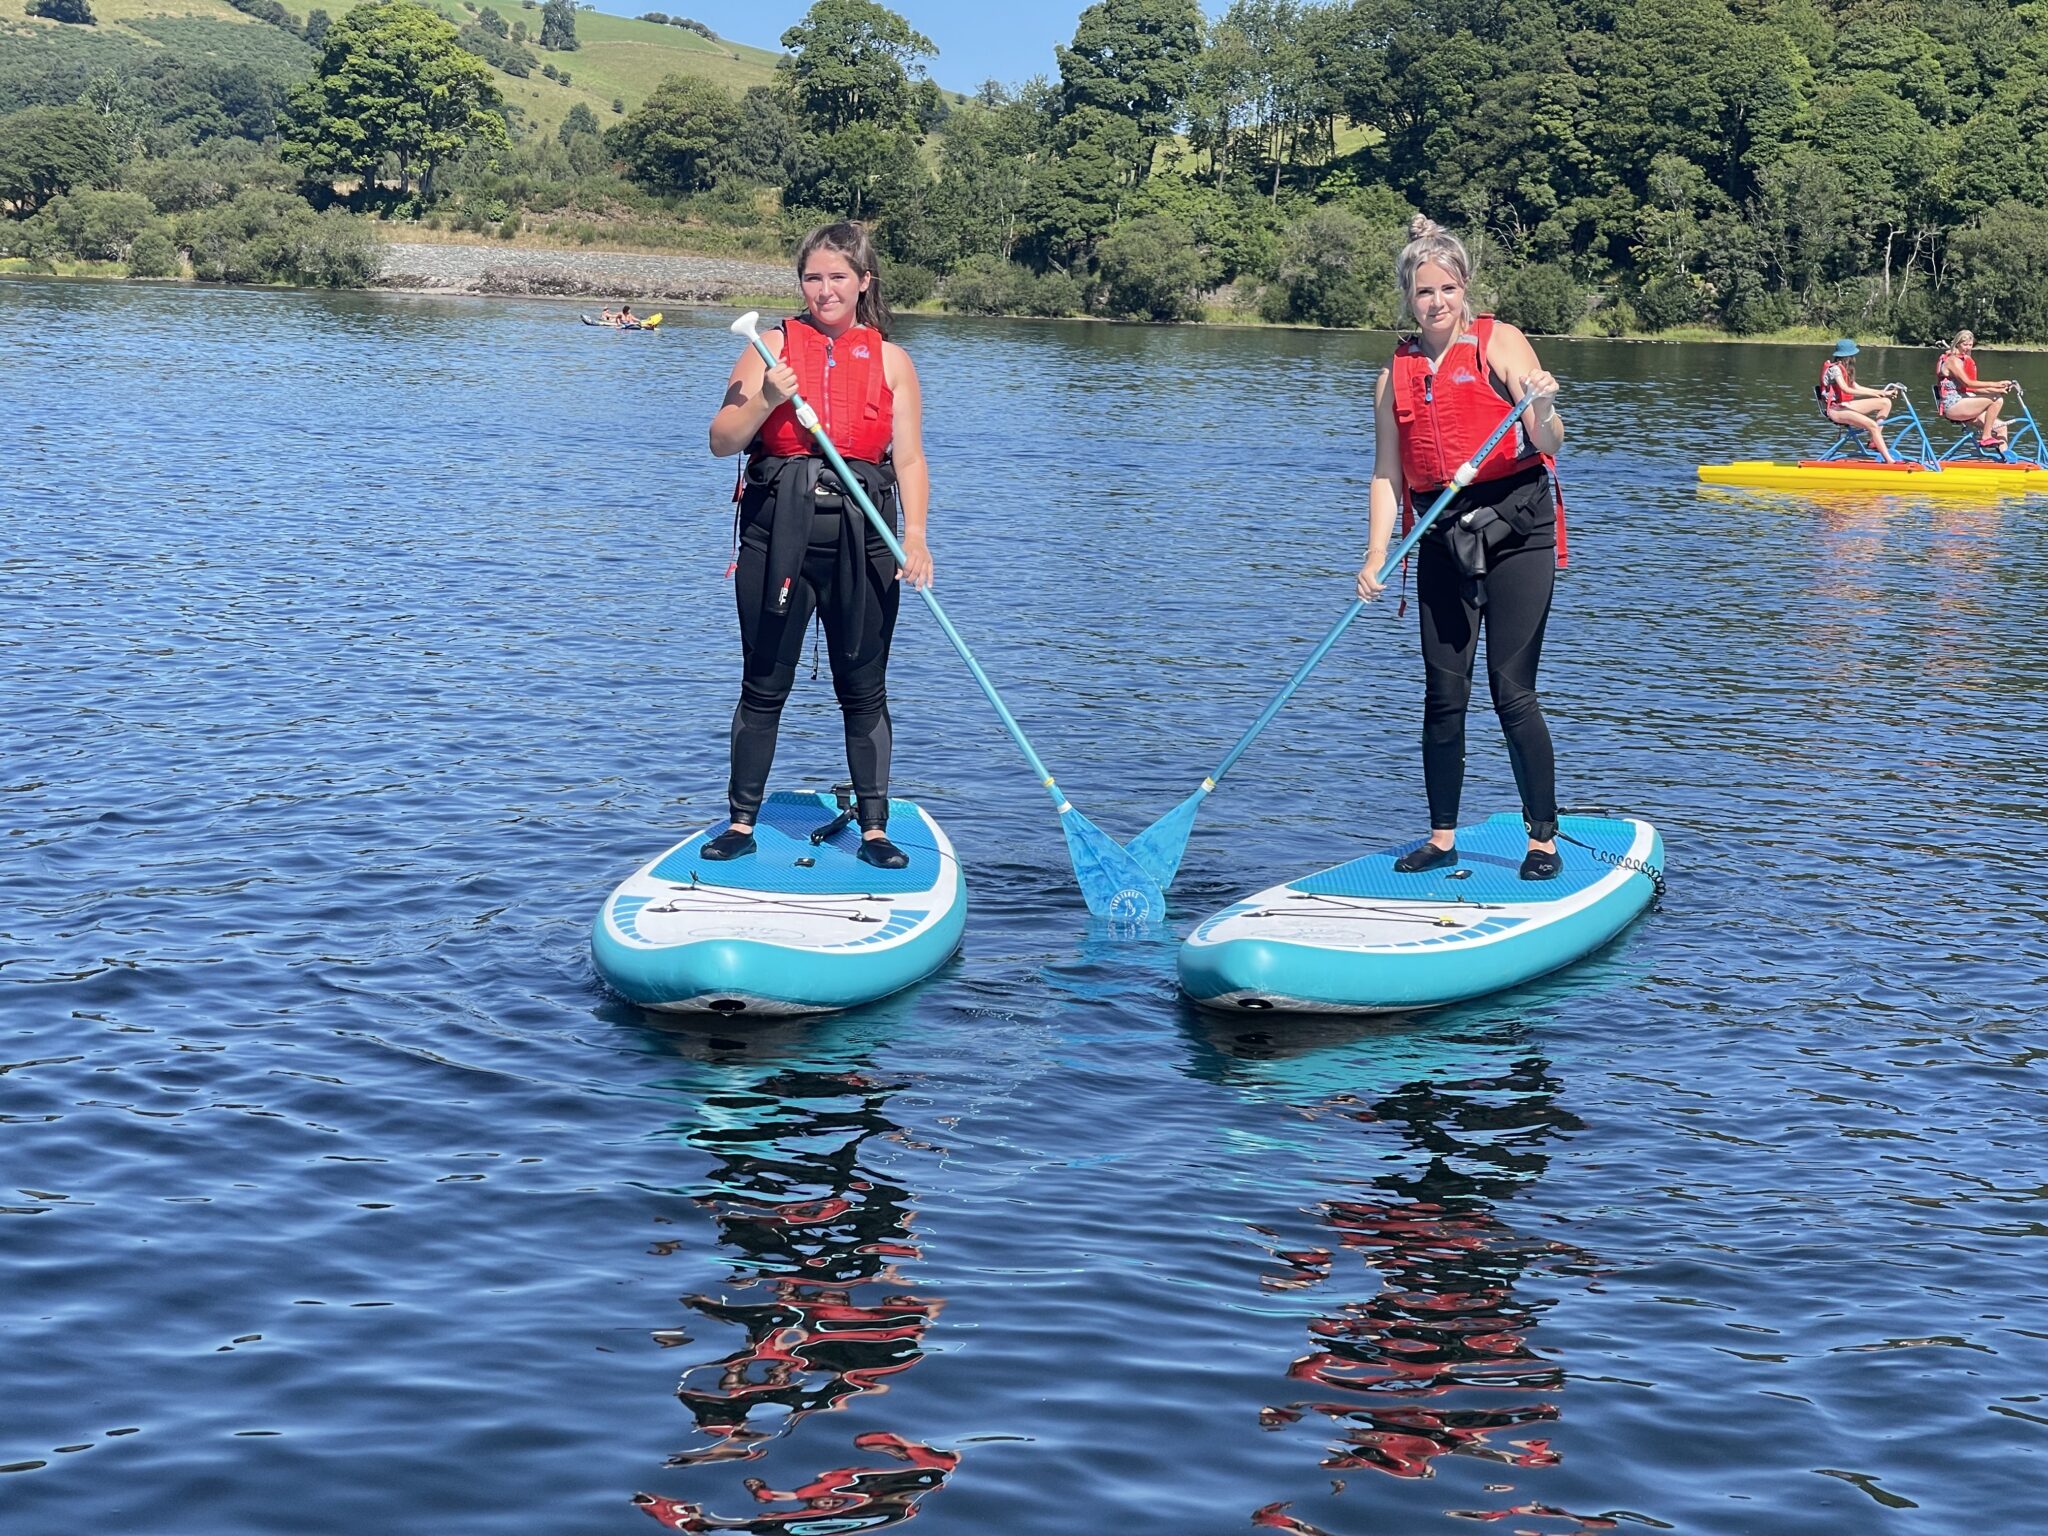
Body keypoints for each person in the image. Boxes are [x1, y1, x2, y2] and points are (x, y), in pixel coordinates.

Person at [705, 221, 933, 869]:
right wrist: (766, 401)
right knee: (764, 682)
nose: (825, 290)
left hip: (864, 537)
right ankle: (742, 823)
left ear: (864, 282)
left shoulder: (892, 360)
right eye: (813, 277)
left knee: (863, 687)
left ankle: (875, 829)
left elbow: (910, 460)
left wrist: (914, 537)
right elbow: (722, 439)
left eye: (838, 277)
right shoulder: (768, 348)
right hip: (778, 535)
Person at [1354, 216, 1568, 881]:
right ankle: (1442, 838)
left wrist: (1542, 405)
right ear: (1408, 297)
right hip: (1442, 537)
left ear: (1464, 287)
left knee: (1511, 692)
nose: (1437, 301)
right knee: (1443, 696)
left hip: (1517, 531)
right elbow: (1389, 474)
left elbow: (1550, 441)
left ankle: (1542, 840)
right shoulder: (1394, 376)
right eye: (1424, 292)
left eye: (1447, 288)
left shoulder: (1499, 343)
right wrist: (1374, 554)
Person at [1818, 339, 1899, 461]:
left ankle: (1874, 441)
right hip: (1835, 410)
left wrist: (1882, 393)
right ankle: (1890, 461)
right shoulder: (1835, 369)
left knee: (1885, 402)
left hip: (1844, 405)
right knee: (1872, 425)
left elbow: (1856, 387)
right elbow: (1845, 389)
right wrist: (1871, 393)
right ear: (1849, 356)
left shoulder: (1844, 368)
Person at [1934, 330, 2012, 453]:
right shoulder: (1952, 361)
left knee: (2002, 427)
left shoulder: (1961, 360)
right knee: (1997, 399)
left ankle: (2006, 460)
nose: (1968, 348)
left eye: (1970, 345)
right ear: (1958, 344)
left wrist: (1999, 388)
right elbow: (1968, 383)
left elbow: (1973, 388)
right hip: (1952, 405)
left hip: (1963, 401)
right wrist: (1996, 384)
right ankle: (1986, 437)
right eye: (1965, 345)